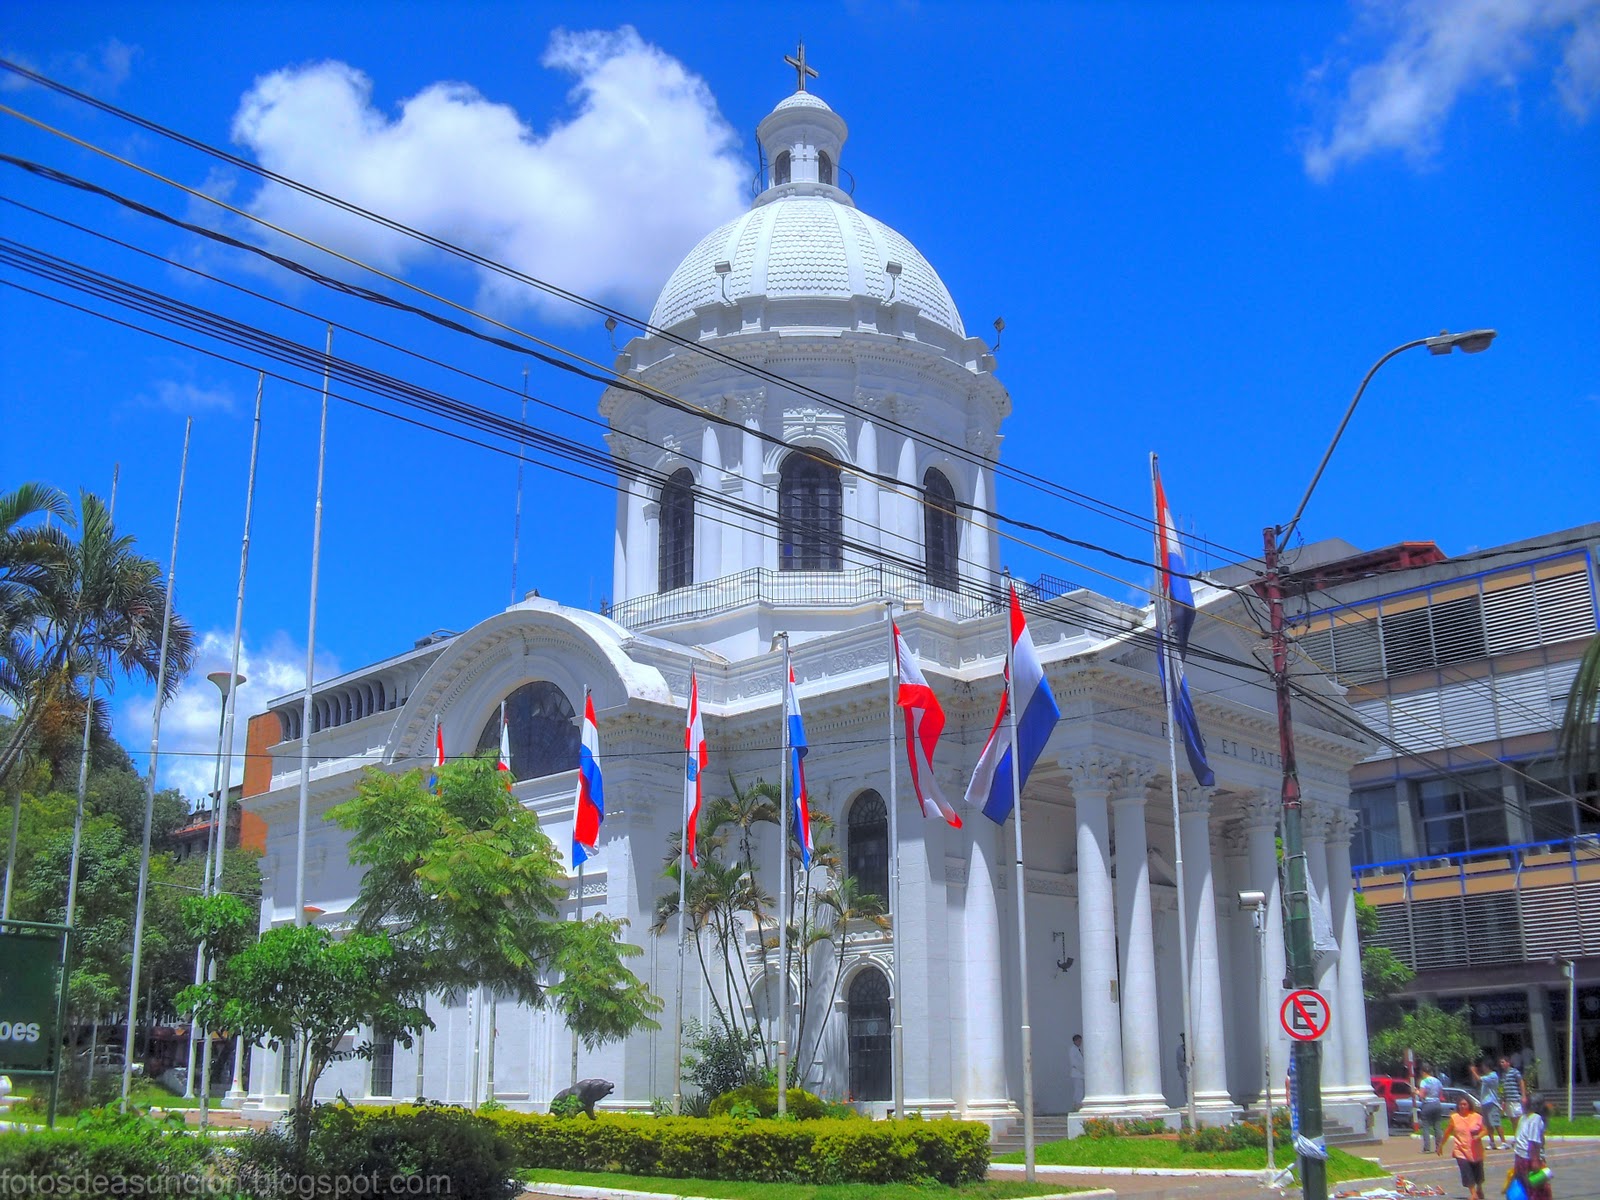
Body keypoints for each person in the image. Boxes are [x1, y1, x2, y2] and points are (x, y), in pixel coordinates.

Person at [1438, 1094, 1487, 1200]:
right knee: (1466, 1171)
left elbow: (1485, 1130)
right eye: (1460, 1104)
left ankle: (1479, 1188)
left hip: (1476, 1150)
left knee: (1478, 1172)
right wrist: (1441, 1145)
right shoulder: (1454, 1118)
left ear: (1469, 1105)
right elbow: (1447, 1132)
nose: (1462, 1106)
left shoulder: (1477, 1117)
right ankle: (1473, 1194)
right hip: (1460, 1150)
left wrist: (1479, 1136)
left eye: (1464, 1104)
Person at [1513, 1092, 1552, 1200]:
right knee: (1539, 1190)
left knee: (1526, 1187)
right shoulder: (1536, 1118)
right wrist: (1535, 1161)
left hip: (1519, 1157)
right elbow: (1533, 1142)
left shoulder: (1524, 1117)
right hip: (1529, 1158)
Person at [1472, 1056, 1505, 1149]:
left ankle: (1503, 1142)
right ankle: (1492, 1142)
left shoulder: (1493, 1076)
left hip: (1492, 1102)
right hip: (1485, 1103)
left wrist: (1473, 1071)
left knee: (1496, 1123)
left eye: (1484, 1066)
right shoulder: (1487, 1076)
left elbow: (1479, 1079)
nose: (1482, 1068)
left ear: (1488, 1066)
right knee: (1489, 1124)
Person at [1417, 1062, 1446, 1154]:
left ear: (1423, 1072)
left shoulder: (1424, 1081)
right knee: (1437, 1126)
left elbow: (1421, 1095)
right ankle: (1439, 1146)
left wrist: (1416, 1092)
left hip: (1427, 1104)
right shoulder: (1437, 1081)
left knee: (1425, 1126)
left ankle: (1427, 1148)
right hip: (1437, 1103)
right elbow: (1441, 1094)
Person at [1500, 1055, 1526, 1124]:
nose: (1501, 1064)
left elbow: (1521, 1082)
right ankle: (1516, 1134)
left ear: (1508, 1063)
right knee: (1512, 1119)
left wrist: (1523, 1095)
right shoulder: (1503, 1074)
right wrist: (1503, 1100)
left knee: (1518, 1118)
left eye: (1503, 1062)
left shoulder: (1514, 1072)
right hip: (1508, 1100)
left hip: (1515, 1099)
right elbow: (1504, 1088)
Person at [1069, 1034, 1086, 1112]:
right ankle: (1077, 1106)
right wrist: (1083, 1070)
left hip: (1080, 1074)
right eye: (1079, 1041)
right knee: (1078, 1091)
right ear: (1075, 1041)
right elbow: (1075, 1063)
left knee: (1080, 1090)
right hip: (1077, 1073)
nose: (1080, 1042)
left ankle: (1078, 1105)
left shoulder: (1078, 1050)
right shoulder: (1073, 1050)